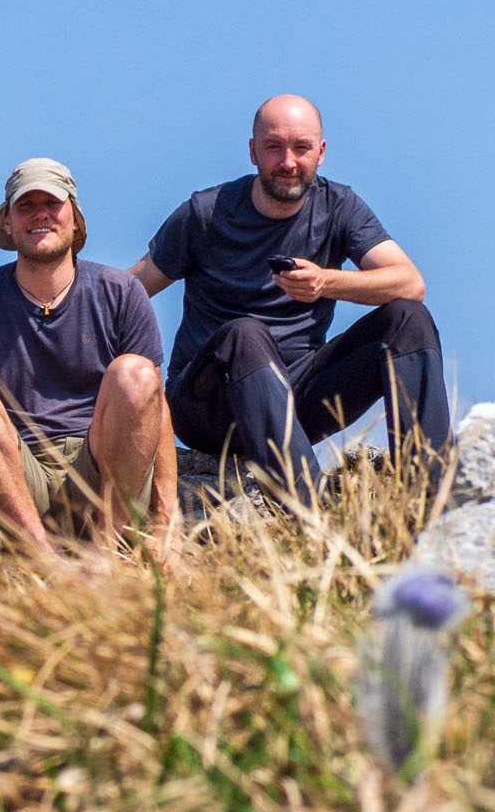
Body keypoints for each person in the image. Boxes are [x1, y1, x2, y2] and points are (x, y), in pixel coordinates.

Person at [130, 95, 449, 506]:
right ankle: (307, 508)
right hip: (209, 407)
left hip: (296, 398)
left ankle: (432, 495)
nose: (288, 162)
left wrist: (326, 283)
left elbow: (410, 283)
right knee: (246, 333)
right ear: (252, 152)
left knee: (408, 318)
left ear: (321, 152)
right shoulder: (205, 213)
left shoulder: (339, 206)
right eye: (274, 147)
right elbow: (130, 291)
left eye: (301, 148)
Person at [0, 158, 179, 565]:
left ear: (74, 218)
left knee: (136, 374)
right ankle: (42, 558)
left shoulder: (120, 293)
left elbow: (157, 410)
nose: (40, 215)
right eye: (25, 206)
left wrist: (166, 524)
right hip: (15, 481)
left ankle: (105, 555)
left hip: (101, 473)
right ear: (9, 223)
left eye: (51, 203)